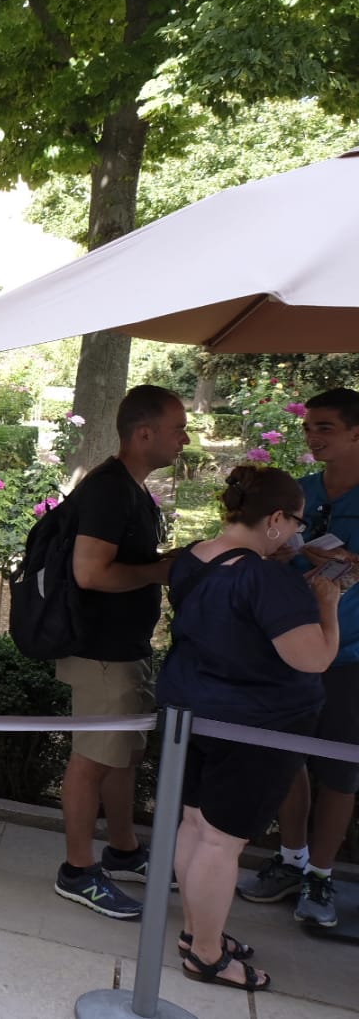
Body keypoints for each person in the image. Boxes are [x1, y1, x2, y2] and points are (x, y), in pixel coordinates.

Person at [160, 465, 339, 991]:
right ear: (277, 519)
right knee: (221, 841)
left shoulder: (194, 557)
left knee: (195, 825)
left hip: (192, 709)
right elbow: (312, 659)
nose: (301, 536)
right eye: (298, 523)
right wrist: (327, 605)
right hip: (256, 724)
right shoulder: (264, 578)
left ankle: (198, 934)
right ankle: (208, 955)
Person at [53, 384, 188, 918]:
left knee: (123, 756)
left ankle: (124, 850)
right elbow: (90, 572)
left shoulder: (130, 488)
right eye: (178, 427)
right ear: (144, 433)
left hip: (123, 649)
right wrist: (159, 569)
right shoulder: (110, 490)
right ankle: (77, 870)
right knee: (91, 760)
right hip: (101, 652)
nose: (185, 438)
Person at [241, 387, 359, 926]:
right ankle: (291, 860)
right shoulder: (302, 492)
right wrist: (283, 548)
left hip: (351, 658)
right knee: (285, 758)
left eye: (326, 427)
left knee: (340, 771)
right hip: (288, 649)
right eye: (309, 426)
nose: (312, 436)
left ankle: (321, 877)